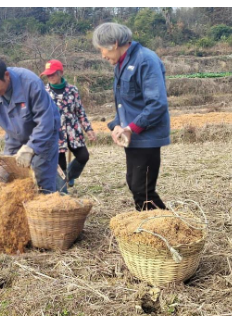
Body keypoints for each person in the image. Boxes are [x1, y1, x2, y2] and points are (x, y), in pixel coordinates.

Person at [92, 22, 170, 211]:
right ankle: (152, 227)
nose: (102, 55)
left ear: (115, 43)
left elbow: (157, 103)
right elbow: (125, 103)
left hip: (146, 136)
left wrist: (130, 128)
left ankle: (168, 229)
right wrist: (117, 125)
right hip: (133, 136)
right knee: (135, 184)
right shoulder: (121, 64)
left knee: (142, 189)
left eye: (102, 49)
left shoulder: (145, 60)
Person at [0, 57, 60, 193]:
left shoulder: (30, 84)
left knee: (42, 179)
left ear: (6, 76)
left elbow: (45, 121)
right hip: (14, 136)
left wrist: (31, 148)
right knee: (7, 174)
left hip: (43, 136)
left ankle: (52, 204)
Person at [41, 59, 96, 191]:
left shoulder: (73, 90)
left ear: (60, 73)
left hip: (73, 131)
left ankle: (70, 176)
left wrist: (88, 129)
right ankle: (63, 195)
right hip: (55, 133)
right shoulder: (44, 92)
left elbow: (80, 111)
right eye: (48, 75)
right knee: (60, 166)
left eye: (53, 74)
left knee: (83, 156)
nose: (50, 77)